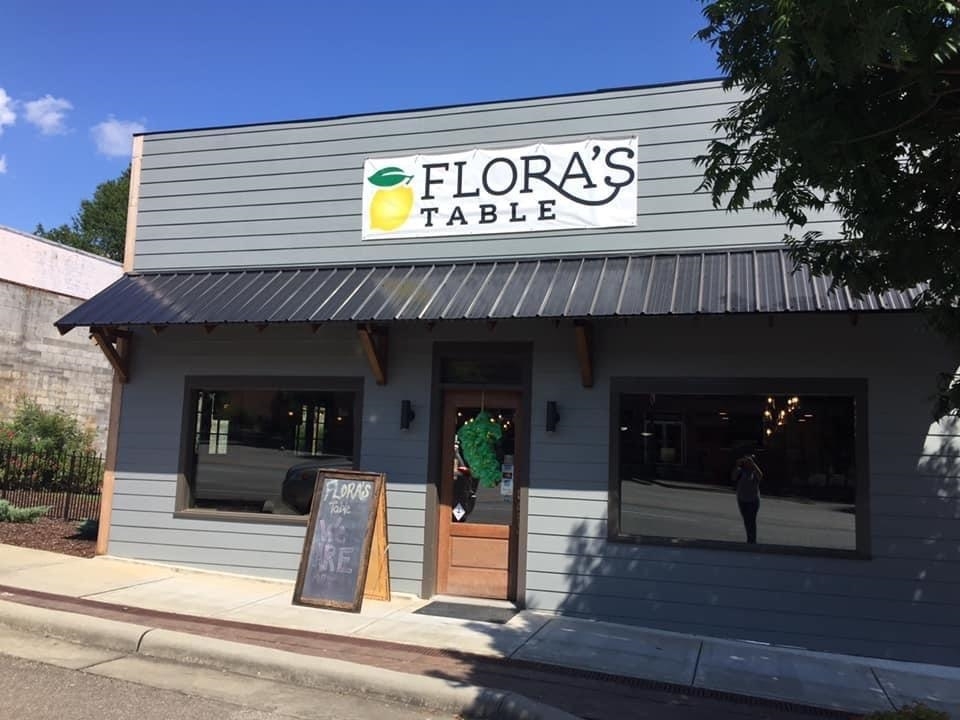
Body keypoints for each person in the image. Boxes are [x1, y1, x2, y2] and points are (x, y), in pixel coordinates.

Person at [732, 451, 763, 544]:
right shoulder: (741, 471)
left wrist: (753, 464)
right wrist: (737, 465)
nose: (747, 462)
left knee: (751, 520)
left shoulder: (754, 471)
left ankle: (752, 540)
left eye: (749, 460)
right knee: (746, 520)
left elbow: (760, 475)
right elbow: (733, 477)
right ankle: (749, 539)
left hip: (753, 500)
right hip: (742, 499)